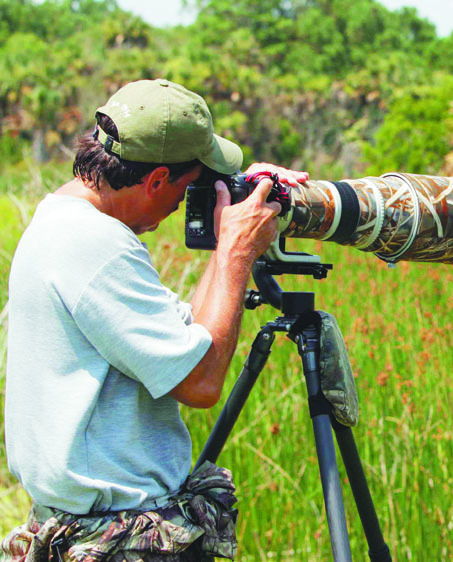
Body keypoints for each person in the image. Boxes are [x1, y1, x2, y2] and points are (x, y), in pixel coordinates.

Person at [1, 79, 308, 562]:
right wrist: (235, 251)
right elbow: (201, 382)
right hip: (118, 536)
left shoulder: (61, 220)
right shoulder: (95, 244)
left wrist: (230, 218)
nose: (181, 205)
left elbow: (190, 341)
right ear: (156, 179)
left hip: (82, 523)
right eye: (187, 189)